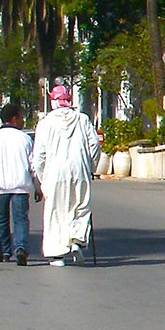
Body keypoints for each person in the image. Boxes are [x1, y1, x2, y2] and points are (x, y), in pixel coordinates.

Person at [31, 85, 100, 266]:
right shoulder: (82, 119)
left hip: (54, 171)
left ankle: (57, 254)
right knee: (80, 206)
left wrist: (42, 178)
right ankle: (76, 240)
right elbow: (94, 146)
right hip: (79, 169)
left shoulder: (46, 123)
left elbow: (39, 155)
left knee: (56, 210)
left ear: (53, 101)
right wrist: (90, 166)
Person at [0, 103, 40, 265]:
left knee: (0, 220)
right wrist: (37, 187)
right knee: (20, 219)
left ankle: (4, 251)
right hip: (20, 186)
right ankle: (21, 248)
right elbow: (32, 165)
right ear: (14, 119)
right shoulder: (24, 139)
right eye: (21, 117)